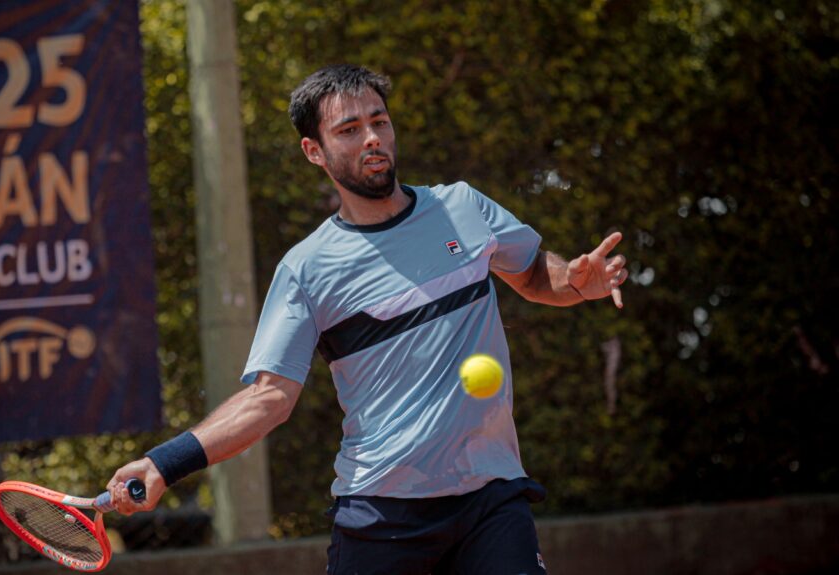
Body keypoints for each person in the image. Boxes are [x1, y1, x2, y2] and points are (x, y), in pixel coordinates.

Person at [107, 64, 628, 574]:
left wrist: (576, 283)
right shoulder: (306, 269)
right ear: (315, 150)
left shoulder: (463, 207)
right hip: (382, 514)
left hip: (491, 498)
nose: (372, 138)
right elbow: (269, 399)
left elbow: (537, 276)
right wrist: (163, 463)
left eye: (379, 121)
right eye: (349, 130)